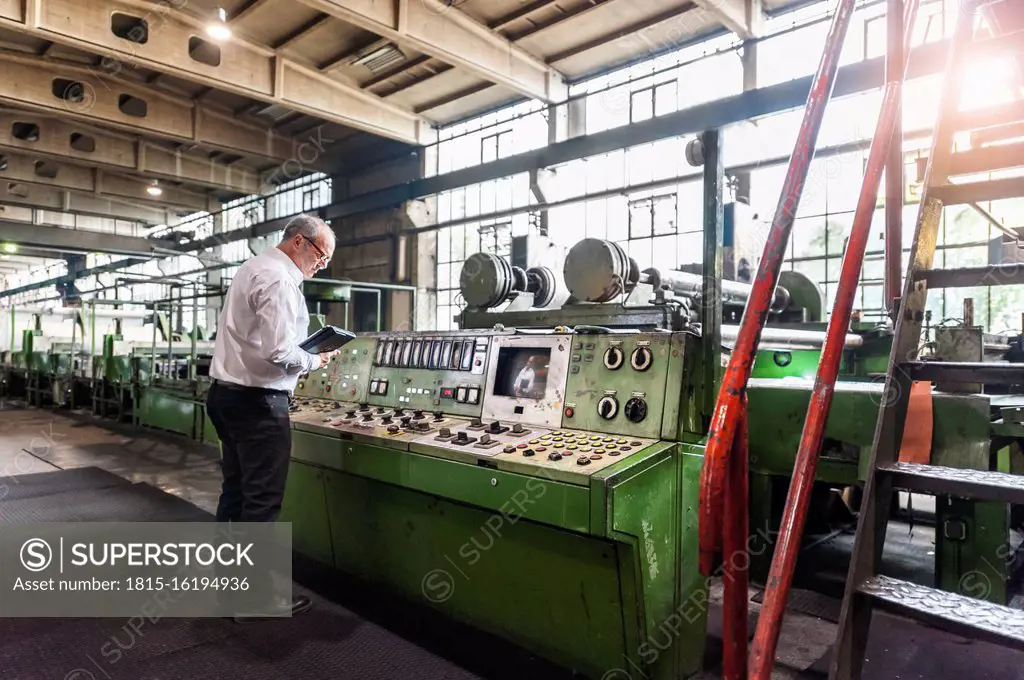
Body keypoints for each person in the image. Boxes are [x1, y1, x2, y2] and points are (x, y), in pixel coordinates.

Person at [207, 213, 340, 620]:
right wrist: (317, 360)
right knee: (262, 502)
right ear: (299, 242)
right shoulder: (280, 279)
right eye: (321, 254)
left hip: (226, 397)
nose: (322, 264)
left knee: (236, 494)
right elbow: (280, 352)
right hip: (258, 405)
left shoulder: (253, 267)